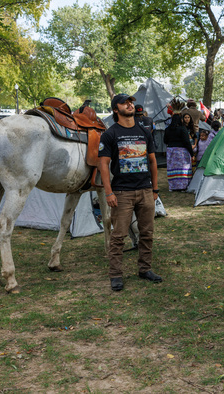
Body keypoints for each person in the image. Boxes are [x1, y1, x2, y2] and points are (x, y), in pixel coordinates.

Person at [98, 94, 162, 291]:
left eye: (131, 102)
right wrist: (109, 193)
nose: (130, 104)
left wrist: (155, 189)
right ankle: (116, 275)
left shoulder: (144, 132)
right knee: (118, 236)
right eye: (125, 102)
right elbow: (103, 164)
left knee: (147, 233)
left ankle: (145, 269)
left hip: (145, 190)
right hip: (122, 192)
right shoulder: (110, 134)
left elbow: (152, 161)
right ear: (116, 109)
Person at [164, 111, 194, 191]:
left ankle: (173, 186)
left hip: (171, 151)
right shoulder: (182, 129)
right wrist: (192, 153)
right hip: (181, 151)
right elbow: (187, 142)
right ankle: (182, 186)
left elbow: (165, 141)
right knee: (182, 169)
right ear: (180, 120)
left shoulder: (167, 129)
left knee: (172, 168)